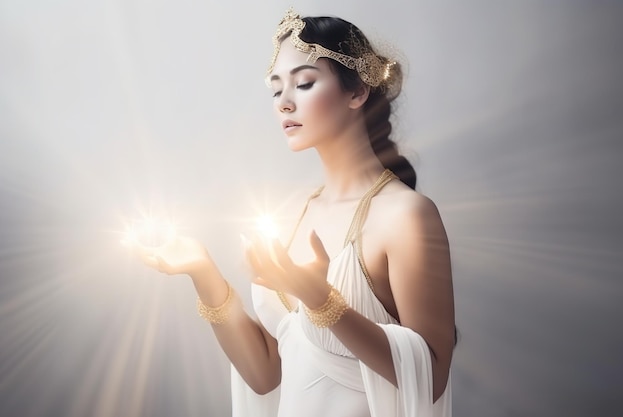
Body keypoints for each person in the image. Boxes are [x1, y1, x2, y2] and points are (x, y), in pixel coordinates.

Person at [126, 8, 455, 417]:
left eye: (303, 83)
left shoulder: (405, 216)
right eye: (276, 89)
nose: (284, 103)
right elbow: (267, 373)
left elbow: (432, 378)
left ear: (357, 93)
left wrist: (320, 300)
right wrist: (203, 272)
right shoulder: (289, 215)